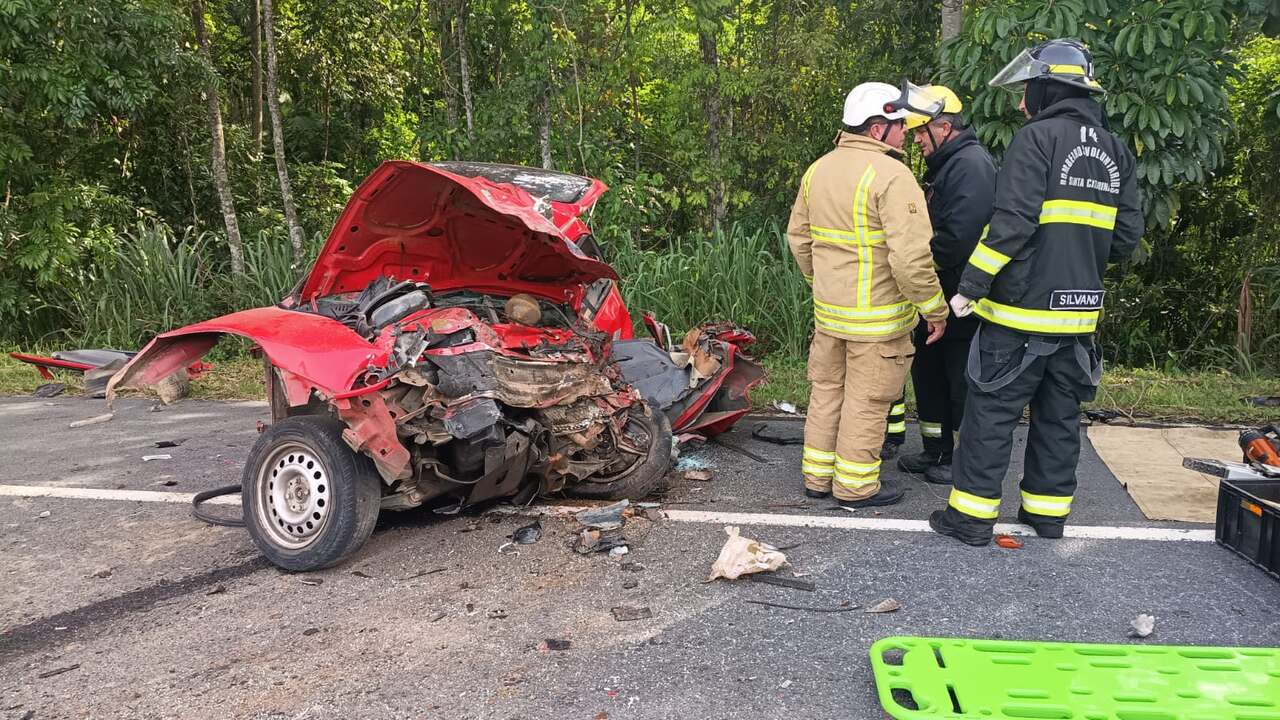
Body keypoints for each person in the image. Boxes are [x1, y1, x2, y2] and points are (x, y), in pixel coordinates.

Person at [929, 39, 1143, 545]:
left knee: (990, 414)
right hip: (1079, 318)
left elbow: (1012, 223)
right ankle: (1047, 516)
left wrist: (970, 286)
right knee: (1059, 419)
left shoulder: (1037, 139)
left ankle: (970, 519)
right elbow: (1126, 240)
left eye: (1029, 89)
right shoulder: (1115, 150)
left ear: (1048, 89)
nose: (1023, 103)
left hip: (1019, 316)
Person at [787, 81, 949, 509]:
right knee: (867, 400)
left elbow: (799, 239)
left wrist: (820, 283)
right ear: (878, 129)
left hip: (830, 316)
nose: (906, 132)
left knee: (827, 392)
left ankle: (817, 478)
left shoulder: (818, 170)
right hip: (877, 322)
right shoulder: (892, 175)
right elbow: (911, 257)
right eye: (900, 125)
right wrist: (933, 308)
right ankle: (855, 486)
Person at [895, 85, 997, 485]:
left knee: (960, 381)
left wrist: (915, 264)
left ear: (945, 127)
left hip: (962, 298)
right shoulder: (948, 165)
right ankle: (936, 449)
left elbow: (957, 239)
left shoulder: (971, 165)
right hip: (937, 295)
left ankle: (962, 459)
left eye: (921, 131)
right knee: (929, 375)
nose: (916, 140)